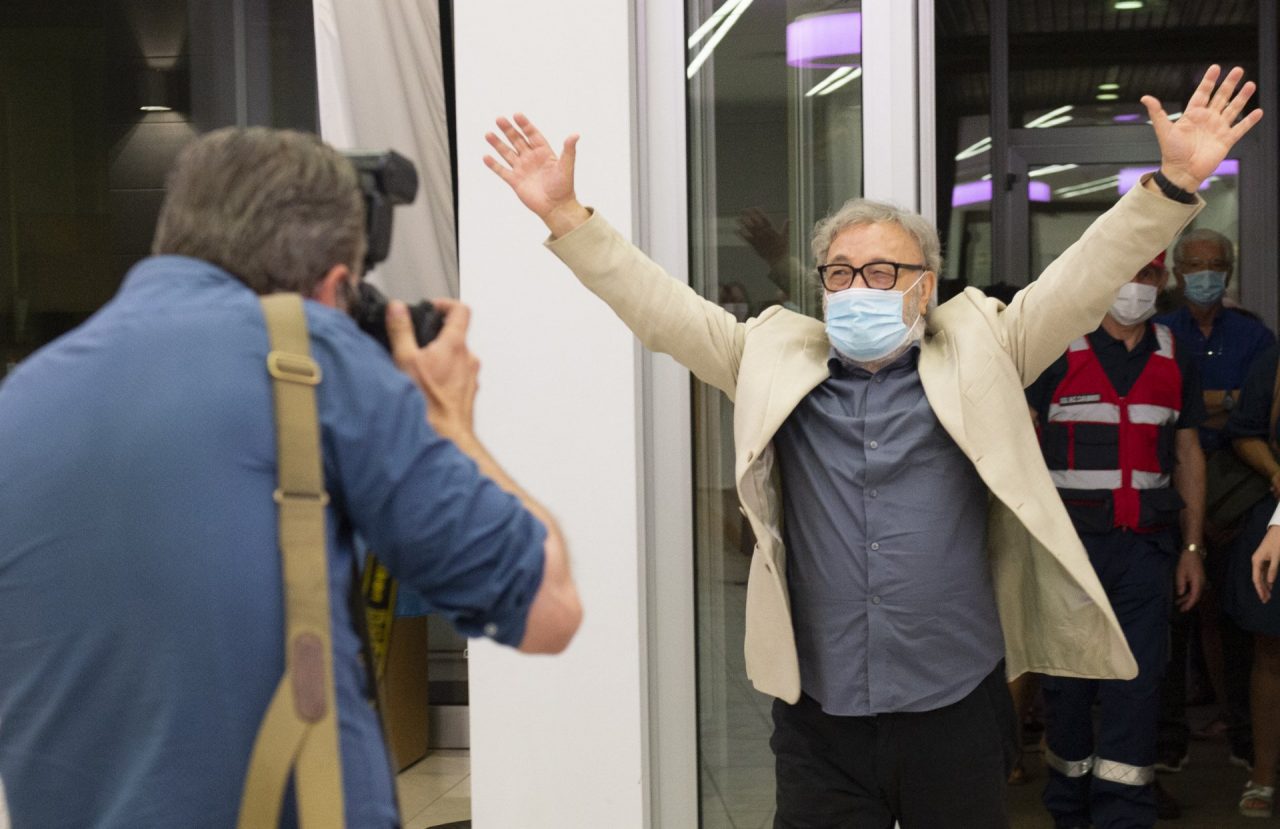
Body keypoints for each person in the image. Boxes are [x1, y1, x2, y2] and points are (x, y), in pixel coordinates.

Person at [483, 66, 1261, 827]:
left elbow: (1083, 278)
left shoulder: (988, 344)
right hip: (821, 717)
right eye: (842, 272)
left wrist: (1169, 189)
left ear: (926, 286)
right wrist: (568, 218)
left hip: (955, 703)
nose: (860, 287)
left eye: (884, 270)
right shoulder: (769, 354)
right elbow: (659, 309)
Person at [0, 128, 582, 827]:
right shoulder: (309, 357)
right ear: (336, 286)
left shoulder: (22, 399)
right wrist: (448, 419)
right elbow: (548, 606)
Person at [1026, 256, 1207, 828]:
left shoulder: (1175, 355)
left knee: (1139, 683)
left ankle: (1124, 816)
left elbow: (1187, 455)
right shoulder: (1056, 351)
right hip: (1070, 551)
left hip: (1146, 551)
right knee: (1068, 686)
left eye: (1150, 276)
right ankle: (1069, 811)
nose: (1136, 286)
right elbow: (1020, 450)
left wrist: (1193, 548)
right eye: (1126, 272)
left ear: (1162, 283)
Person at [1153, 228, 1274, 772]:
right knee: (1169, 627)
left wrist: (1205, 407)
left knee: (1241, 625)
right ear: (1177, 273)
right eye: (1195, 264)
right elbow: (1169, 414)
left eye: (1216, 264)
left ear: (1228, 271)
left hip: (1242, 495)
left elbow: (1254, 414)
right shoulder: (1159, 331)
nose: (1205, 273)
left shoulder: (1253, 336)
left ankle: (1245, 736)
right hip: (1170, 490)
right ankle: (1168, 741)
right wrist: (1217, 406)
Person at [1223, 341, 1280, 817]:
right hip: (1277, 518)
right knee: (1270, 648)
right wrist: (1275, 472)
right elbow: (1245, 431)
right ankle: (1263, 772)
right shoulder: (1273, 361)